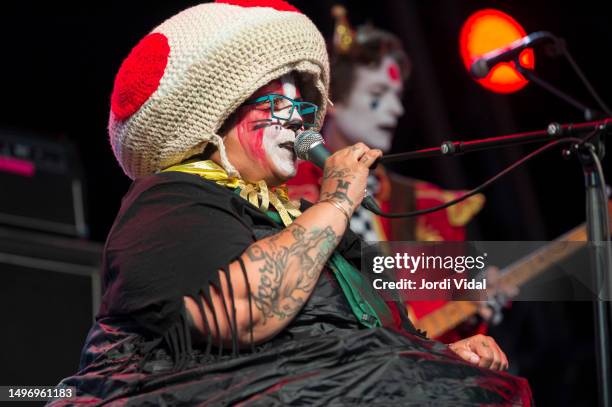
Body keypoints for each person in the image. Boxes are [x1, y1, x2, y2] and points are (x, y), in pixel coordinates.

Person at [50, 1, 531, 405]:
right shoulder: (170, 202)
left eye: (303, 109)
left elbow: (378, 344)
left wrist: (446, 358)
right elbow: (245, 310)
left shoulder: (313, 226)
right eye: (278, 106)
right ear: (223, 116)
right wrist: (340, 197)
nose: (301, 124)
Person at [286, 7, 512, 343]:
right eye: (378, 95)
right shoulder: (284, 191)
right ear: (330, 99)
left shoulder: (426, 205)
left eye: (397, 95)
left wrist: (471, 311)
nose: (397, 109)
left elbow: (440, 326)